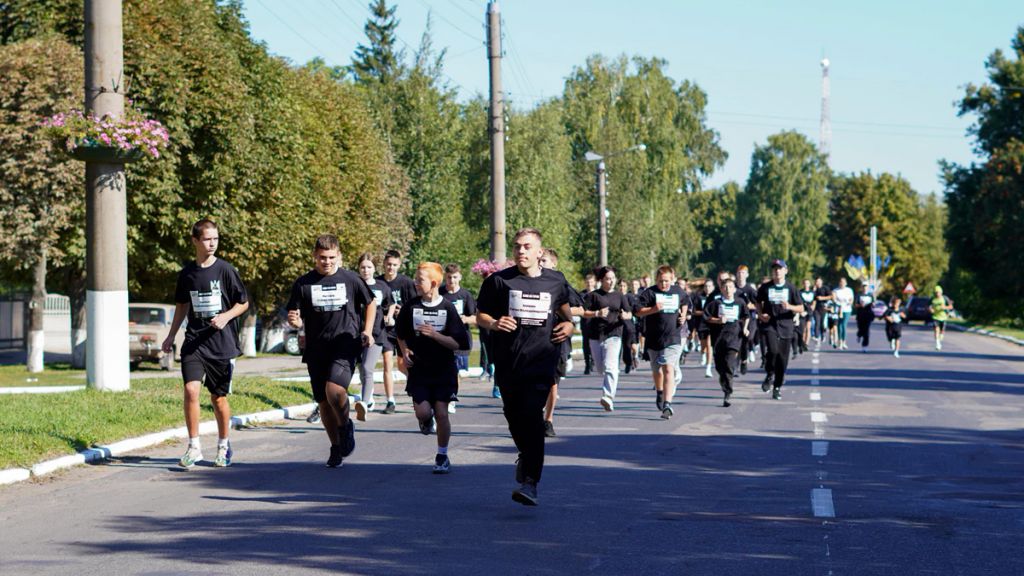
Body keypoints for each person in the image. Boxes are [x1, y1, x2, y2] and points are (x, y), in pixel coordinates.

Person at [476, 228, 574, 506]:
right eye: (517, 246)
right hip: (509, 361)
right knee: (513, 415)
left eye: (527, 246)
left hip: (541, 360)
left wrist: (569, 325)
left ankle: (530, 481)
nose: (521, 251)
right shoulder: (499, 281)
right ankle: (525, 455)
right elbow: (480, 315)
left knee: (532, 416)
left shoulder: (555, 281)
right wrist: (495, 323)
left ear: (539, 252)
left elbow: (565, 310)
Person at [163, 218, 249, 469]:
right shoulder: (187, 274)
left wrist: (225, 316)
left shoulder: (226, 270)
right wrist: (171, 335)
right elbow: (182, 305)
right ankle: (194, 447)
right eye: (207, 239)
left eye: (216, 239)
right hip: (194, 341)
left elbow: (243, 303)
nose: (212, 244)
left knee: (218, 398)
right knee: (191, 391)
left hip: (221, 344)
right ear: (195, 241)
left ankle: (223, 445)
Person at [286, 234, 375, 468]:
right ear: (315, 256)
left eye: (332, 257)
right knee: (324, 402)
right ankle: (335, 446)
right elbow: (295, 316)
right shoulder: (303, 283)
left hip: (345, 344)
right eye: (323, 257)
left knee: (334, 389)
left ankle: (345, 425)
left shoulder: (351, 279)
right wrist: (295, 322)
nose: (327, 262)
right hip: (316, 348)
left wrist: (367, 330)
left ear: (339, 256)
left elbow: (371, 302)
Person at [397, 262, 471, 474]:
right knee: (422, 412)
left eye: (419, 280)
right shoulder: (411, 306)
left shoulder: (447, 308)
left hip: (443, 369)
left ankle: (442, 455)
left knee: (442, 413)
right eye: (415, 279)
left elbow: (459, 344)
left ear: (434, 283)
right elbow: (400, 334)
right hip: (419, 369)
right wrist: (405, 351)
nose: (415, 283)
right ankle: (425, 420)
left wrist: (436, 335)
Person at [539, 248, 585, 437]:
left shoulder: (560, 282)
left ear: (554, 263)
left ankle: (548, 420)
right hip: (532, 339)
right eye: (539, 260)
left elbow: (580, 309)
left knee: (552, 381)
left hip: (556, 338)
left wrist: (557, 310)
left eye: (544, 260)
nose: (540, 263)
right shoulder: (528, 282)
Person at [636, 265, 689, 419]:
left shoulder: (678, 291)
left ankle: (667, 404)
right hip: (654, 338)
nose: (663, 284)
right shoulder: (650, 293)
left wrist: (683, 315)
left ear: (672, 279)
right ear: (656, 280)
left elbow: (685, 302)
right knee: (657, 370)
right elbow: (637, 311)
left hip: (673, 337)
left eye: (666, 281)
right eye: (660, 281)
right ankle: (659, 392)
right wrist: (653, 309)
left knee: (668, 368)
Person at [582, 266, 632, 412]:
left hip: (614, 334)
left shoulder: (619, 296)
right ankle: (610, 379)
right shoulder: (593, 296)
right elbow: (583, 312)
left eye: (613, 278)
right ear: (601, 280)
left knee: (611, 366)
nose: (611, 281)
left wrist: (625, 316)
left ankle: (608, 397)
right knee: (600, 369)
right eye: (608, 279)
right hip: (595, 336)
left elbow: (629, 313)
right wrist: (597, 313)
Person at [353, 253, 396, 421]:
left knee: (367, 367)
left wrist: (389, 316)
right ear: (359, 268)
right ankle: (369, 396)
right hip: (355, 332)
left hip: (377, 332)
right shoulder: (354, 284)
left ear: (374, 268)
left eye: (369, 267)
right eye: (363, 267)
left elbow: (391, 303)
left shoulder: (381, 286)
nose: (366, 270)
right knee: (360, 367)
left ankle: (364, 403)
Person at [756, 259, 804, 400]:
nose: (777, 271)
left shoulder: (791, 288)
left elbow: (801, 308)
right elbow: (758, 302)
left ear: (785, 271)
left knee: (782, 360)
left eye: (780, 268)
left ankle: (777, 387)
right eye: (775, 269)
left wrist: (789, 306)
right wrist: (760, 314)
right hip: (770, 324)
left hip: (786, 325)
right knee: (772, 350)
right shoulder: (765, 287)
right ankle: (769, 373)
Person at [377, 249, 417, 414]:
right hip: (384, 329)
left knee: (402, 364)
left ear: (399, 265)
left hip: (402, 329)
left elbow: (415, 304)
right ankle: (390, 401)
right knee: (387, 362)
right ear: (383, 264)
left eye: (394, 265)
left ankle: (414, 383)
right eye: (388, 264)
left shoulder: (406, 282)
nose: (391, 267)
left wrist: (404, 311)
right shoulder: (378, 282)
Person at [704, 275, 750, 407]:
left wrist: (745, 328)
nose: (728, 290)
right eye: (725, 287)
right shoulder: (716, 303)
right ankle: (724, 381)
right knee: (720, 367)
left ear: (734, 289)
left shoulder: (740, 302)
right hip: (719, 338)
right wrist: (717, 320)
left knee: (729, 364)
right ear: (721, 289)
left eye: (730, 287)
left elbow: (746, 315)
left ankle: (727, 392)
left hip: (734, 336)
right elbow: (706, 317)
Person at [440, 263, 477, 414]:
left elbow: (475, 318)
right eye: (449, 277)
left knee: (454, 371)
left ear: (460, 277)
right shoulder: (440, 293)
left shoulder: (465, 295)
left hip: (460, 339)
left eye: (455, 277)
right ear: (445, 277)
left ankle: (451, 398)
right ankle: (441, 397)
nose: (452, 280)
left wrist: (465, 319)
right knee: (443, 369)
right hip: (442, 338)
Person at [735, 265, 759, 373]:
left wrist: (751, 306)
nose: (741, 275)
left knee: (747, 339)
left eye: (743, 273)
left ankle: (744, 360)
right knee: (737, 341)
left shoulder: (750, 290)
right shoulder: (732, 287)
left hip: (750, 319)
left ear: (747, 275)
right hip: (736, 319)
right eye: (739, 273)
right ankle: (737, 363)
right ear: (736, 274)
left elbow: (759, 305)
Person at [695, 278, 716, 378]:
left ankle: (708, 368)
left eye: (709, 286)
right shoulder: (699, 297)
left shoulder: (716, 297)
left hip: (713, 324)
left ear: (713, 287)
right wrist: (705, 313)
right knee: (704, 346)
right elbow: (694, 311)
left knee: (709, 345)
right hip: (702, 323)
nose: (708, 288)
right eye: (706, 286)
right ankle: (703, 354)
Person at [619, 279, 638, 374]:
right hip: (618, 326)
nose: (622, 288)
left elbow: (634, 309)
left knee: (630, 346)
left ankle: (634, 357)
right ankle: (628, 363)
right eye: (620, 286)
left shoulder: (629, 297)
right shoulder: (616, 296)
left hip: (629, 326)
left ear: (627, 287)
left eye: (624, 286)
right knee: (622, 346)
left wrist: (626, 312)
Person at [579, 273, 597, 375]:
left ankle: (594, 360)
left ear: (594, 283)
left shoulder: (598, 293)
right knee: (586, 343)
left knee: (594, 343)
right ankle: (587, 364)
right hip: (585, 322)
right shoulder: (582, 295)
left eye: (591, 282)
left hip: (596, 322)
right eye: (588, 282)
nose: (589, 284)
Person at [832, 277, 854, 350]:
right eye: (841, 282)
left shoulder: (849, 290)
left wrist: (849, 302)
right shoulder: (836, 290)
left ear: (846, 283)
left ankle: (844, 341)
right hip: (838, 310)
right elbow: (834, 299)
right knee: (839, 325)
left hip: (847, 310)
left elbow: (851, 299)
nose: (842, 283)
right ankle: (840, 341)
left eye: (843, 282)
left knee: (844, 325)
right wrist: (838, 303)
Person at [929, 285, 953, 350]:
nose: (937, 294)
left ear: (941, 292)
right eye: (936, 292)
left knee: (941, 332)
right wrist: (930, 310)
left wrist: (945, 307)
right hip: (935, 317)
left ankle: (941, 337)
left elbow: (951, 307)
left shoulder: (945, 298)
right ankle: (937, 344)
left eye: (938, 292)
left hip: (943, 317)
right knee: (936, 330)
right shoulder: (932, 299)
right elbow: (928, 306)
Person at [854, 283, 875, 352]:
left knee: (867, 331)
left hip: (868, 315)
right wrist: (860, 305)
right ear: (862, 288)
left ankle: (865, 346)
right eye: (863, 287)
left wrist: (873, 305)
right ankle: (859, 335)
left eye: (866, 287)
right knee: (861, 328)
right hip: (860, 315)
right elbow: (855, 305)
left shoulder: (870, 295)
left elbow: (873, 304)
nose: (865, 288)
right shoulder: (859, 295)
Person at [799, 279, 816, 353]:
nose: (806, 285)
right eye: (805, 283)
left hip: (809, 311)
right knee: (803, 329)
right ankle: (802, 343)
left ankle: (806, 344)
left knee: (808, 328)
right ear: (803, 284)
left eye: (807, 283)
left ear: (809, 284)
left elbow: (815, 300)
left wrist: (813, 305)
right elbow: (798, 301)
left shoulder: (812, 292)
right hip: (803, 311)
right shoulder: (800, 292)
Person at [813, 278, 832, 342]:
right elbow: (812, 298)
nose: (817, 283)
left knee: (822, 322)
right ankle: (816, 336)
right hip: (816, 308)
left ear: (821, 282)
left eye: (819, 281)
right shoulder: (814, 289)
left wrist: (822, 298)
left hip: (823, 307)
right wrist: (813, 291)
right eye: (816, 281)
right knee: (817, 321)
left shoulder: (825, 288)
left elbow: (830, 296)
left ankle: (823, 335)